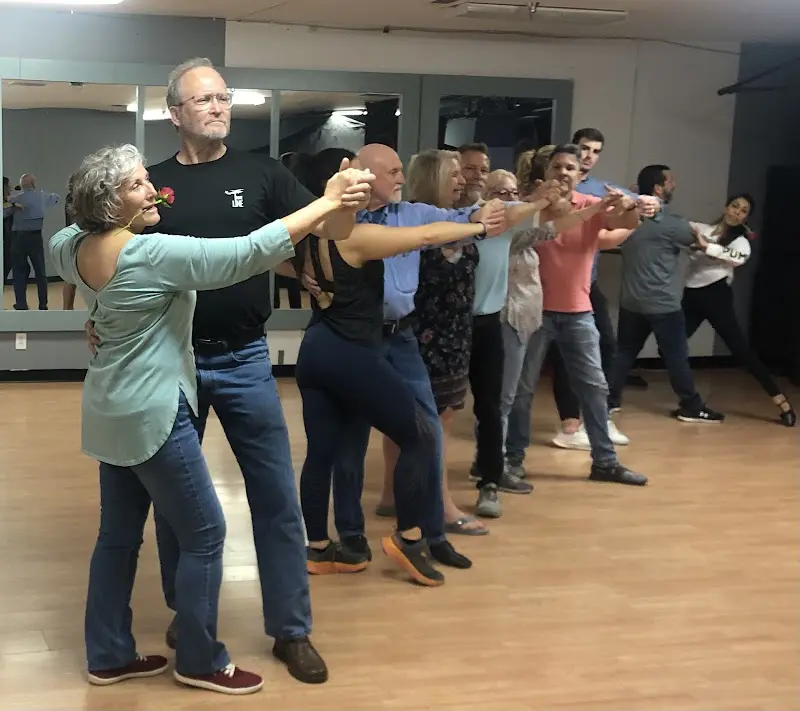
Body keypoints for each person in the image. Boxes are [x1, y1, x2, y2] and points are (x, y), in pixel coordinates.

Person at [50, 143, 372, 694]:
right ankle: (200, 660)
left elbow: (77, 252)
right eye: (136, 186)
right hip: (153, 412)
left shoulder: (69, 246)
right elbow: (248, 253)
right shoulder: (150, 254)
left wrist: (99, 313)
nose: (153, 193)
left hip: (109, 411)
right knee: (205, 533)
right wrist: (327, 201)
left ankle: (107, 655)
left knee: (117, 537)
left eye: (147, 180)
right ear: (108, 203)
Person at [295, 186, 507, 584]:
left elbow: (272, 259)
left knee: (321, 454)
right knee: (420, 436)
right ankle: (408, 538)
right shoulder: (356, 236)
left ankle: (320, 549)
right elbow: (425, 236)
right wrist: (478, 227)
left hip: (314, 353)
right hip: (351, 353)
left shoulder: (308, 237)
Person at [504, 144, 648, 486]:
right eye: (557, 167)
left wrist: (632, 207)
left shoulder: (589, 205)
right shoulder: (533, 206)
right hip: (534, 313)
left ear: (580, 174)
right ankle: (513, 461)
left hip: (578, 312)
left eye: (570, 168)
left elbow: (624, 221)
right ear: (547, 171)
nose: (563, 173)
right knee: (521, 391)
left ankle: (605, 462)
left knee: (594, 387)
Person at [607, 164, 724, 423]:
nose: (674, 185)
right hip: (663, 304)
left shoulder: (627, 217)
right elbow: (698, 241)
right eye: (670, 181)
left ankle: (609, 401)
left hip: (631, 300)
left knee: (624, 352)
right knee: (676, 356)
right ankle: (691, 406)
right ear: (658, 189)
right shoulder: (672, 223)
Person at [685, 193, 795, 426]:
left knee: (742, 351)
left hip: (716, 298)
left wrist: (707, 246)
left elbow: (738, 258)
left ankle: (781, 401)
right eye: (735, 206)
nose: (737, 212)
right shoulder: (703, 229)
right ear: (726, 207)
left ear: (746, 218)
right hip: (691, 295)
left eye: (743, 211)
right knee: (671, 346)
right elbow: (675, 226)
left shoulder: (740, 242)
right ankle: (690, 405)